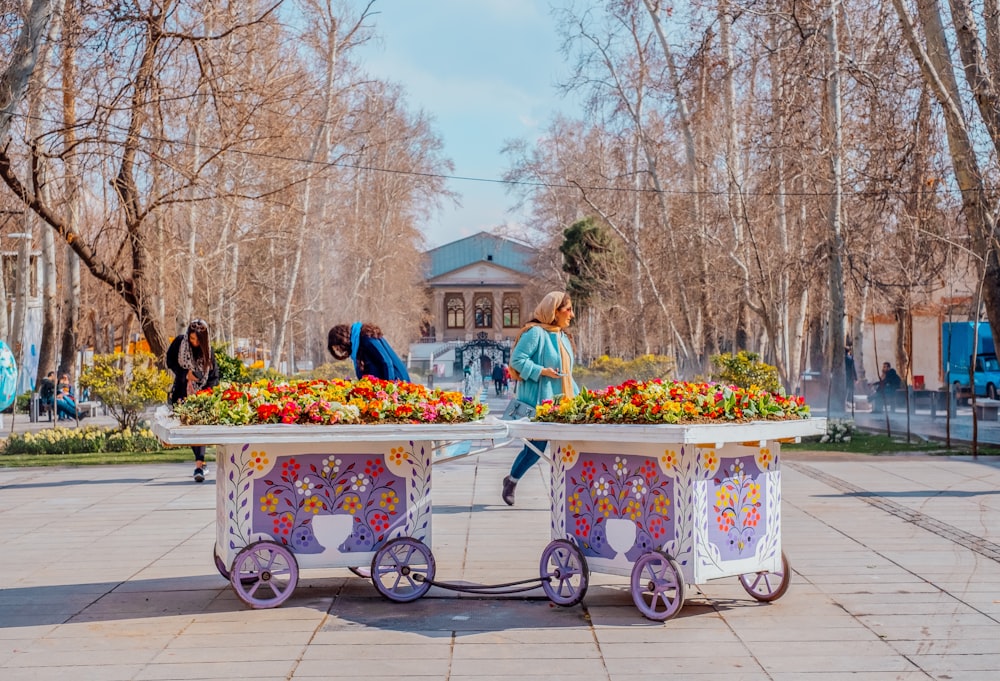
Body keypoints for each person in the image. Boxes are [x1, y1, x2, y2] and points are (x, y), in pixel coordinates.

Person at [501, 291, 577, 506]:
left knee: (567, 447)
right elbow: (517, 361)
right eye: (568, 309)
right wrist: (542, 371)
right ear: (554, 311)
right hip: (538, 404)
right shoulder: (535, 333)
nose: (572, 314)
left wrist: (582, 399)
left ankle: (568, 493)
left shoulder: (562, 336)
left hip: (563, 404)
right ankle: (512, 481)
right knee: (536, 448)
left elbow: (568, 376)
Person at [167, 319, 220, 482]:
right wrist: (185, 375)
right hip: (182, 392)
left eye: (197, 340)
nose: (194, 342)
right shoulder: (179, 343)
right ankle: (201, 463)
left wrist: (204, 394)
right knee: (190, 429)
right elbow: (170, 362)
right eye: (191, 339)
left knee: (199, 429)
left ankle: (199, 465)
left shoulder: (208, 352)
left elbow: (214, 376)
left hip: (201, 397)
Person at [327, 322, 410, 381]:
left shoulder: (366, 337)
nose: (341, 351)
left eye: (339, 348)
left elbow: (386, 361)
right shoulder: (358, 346)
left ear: (342, 341)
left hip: (397, 379)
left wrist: (389, 388)